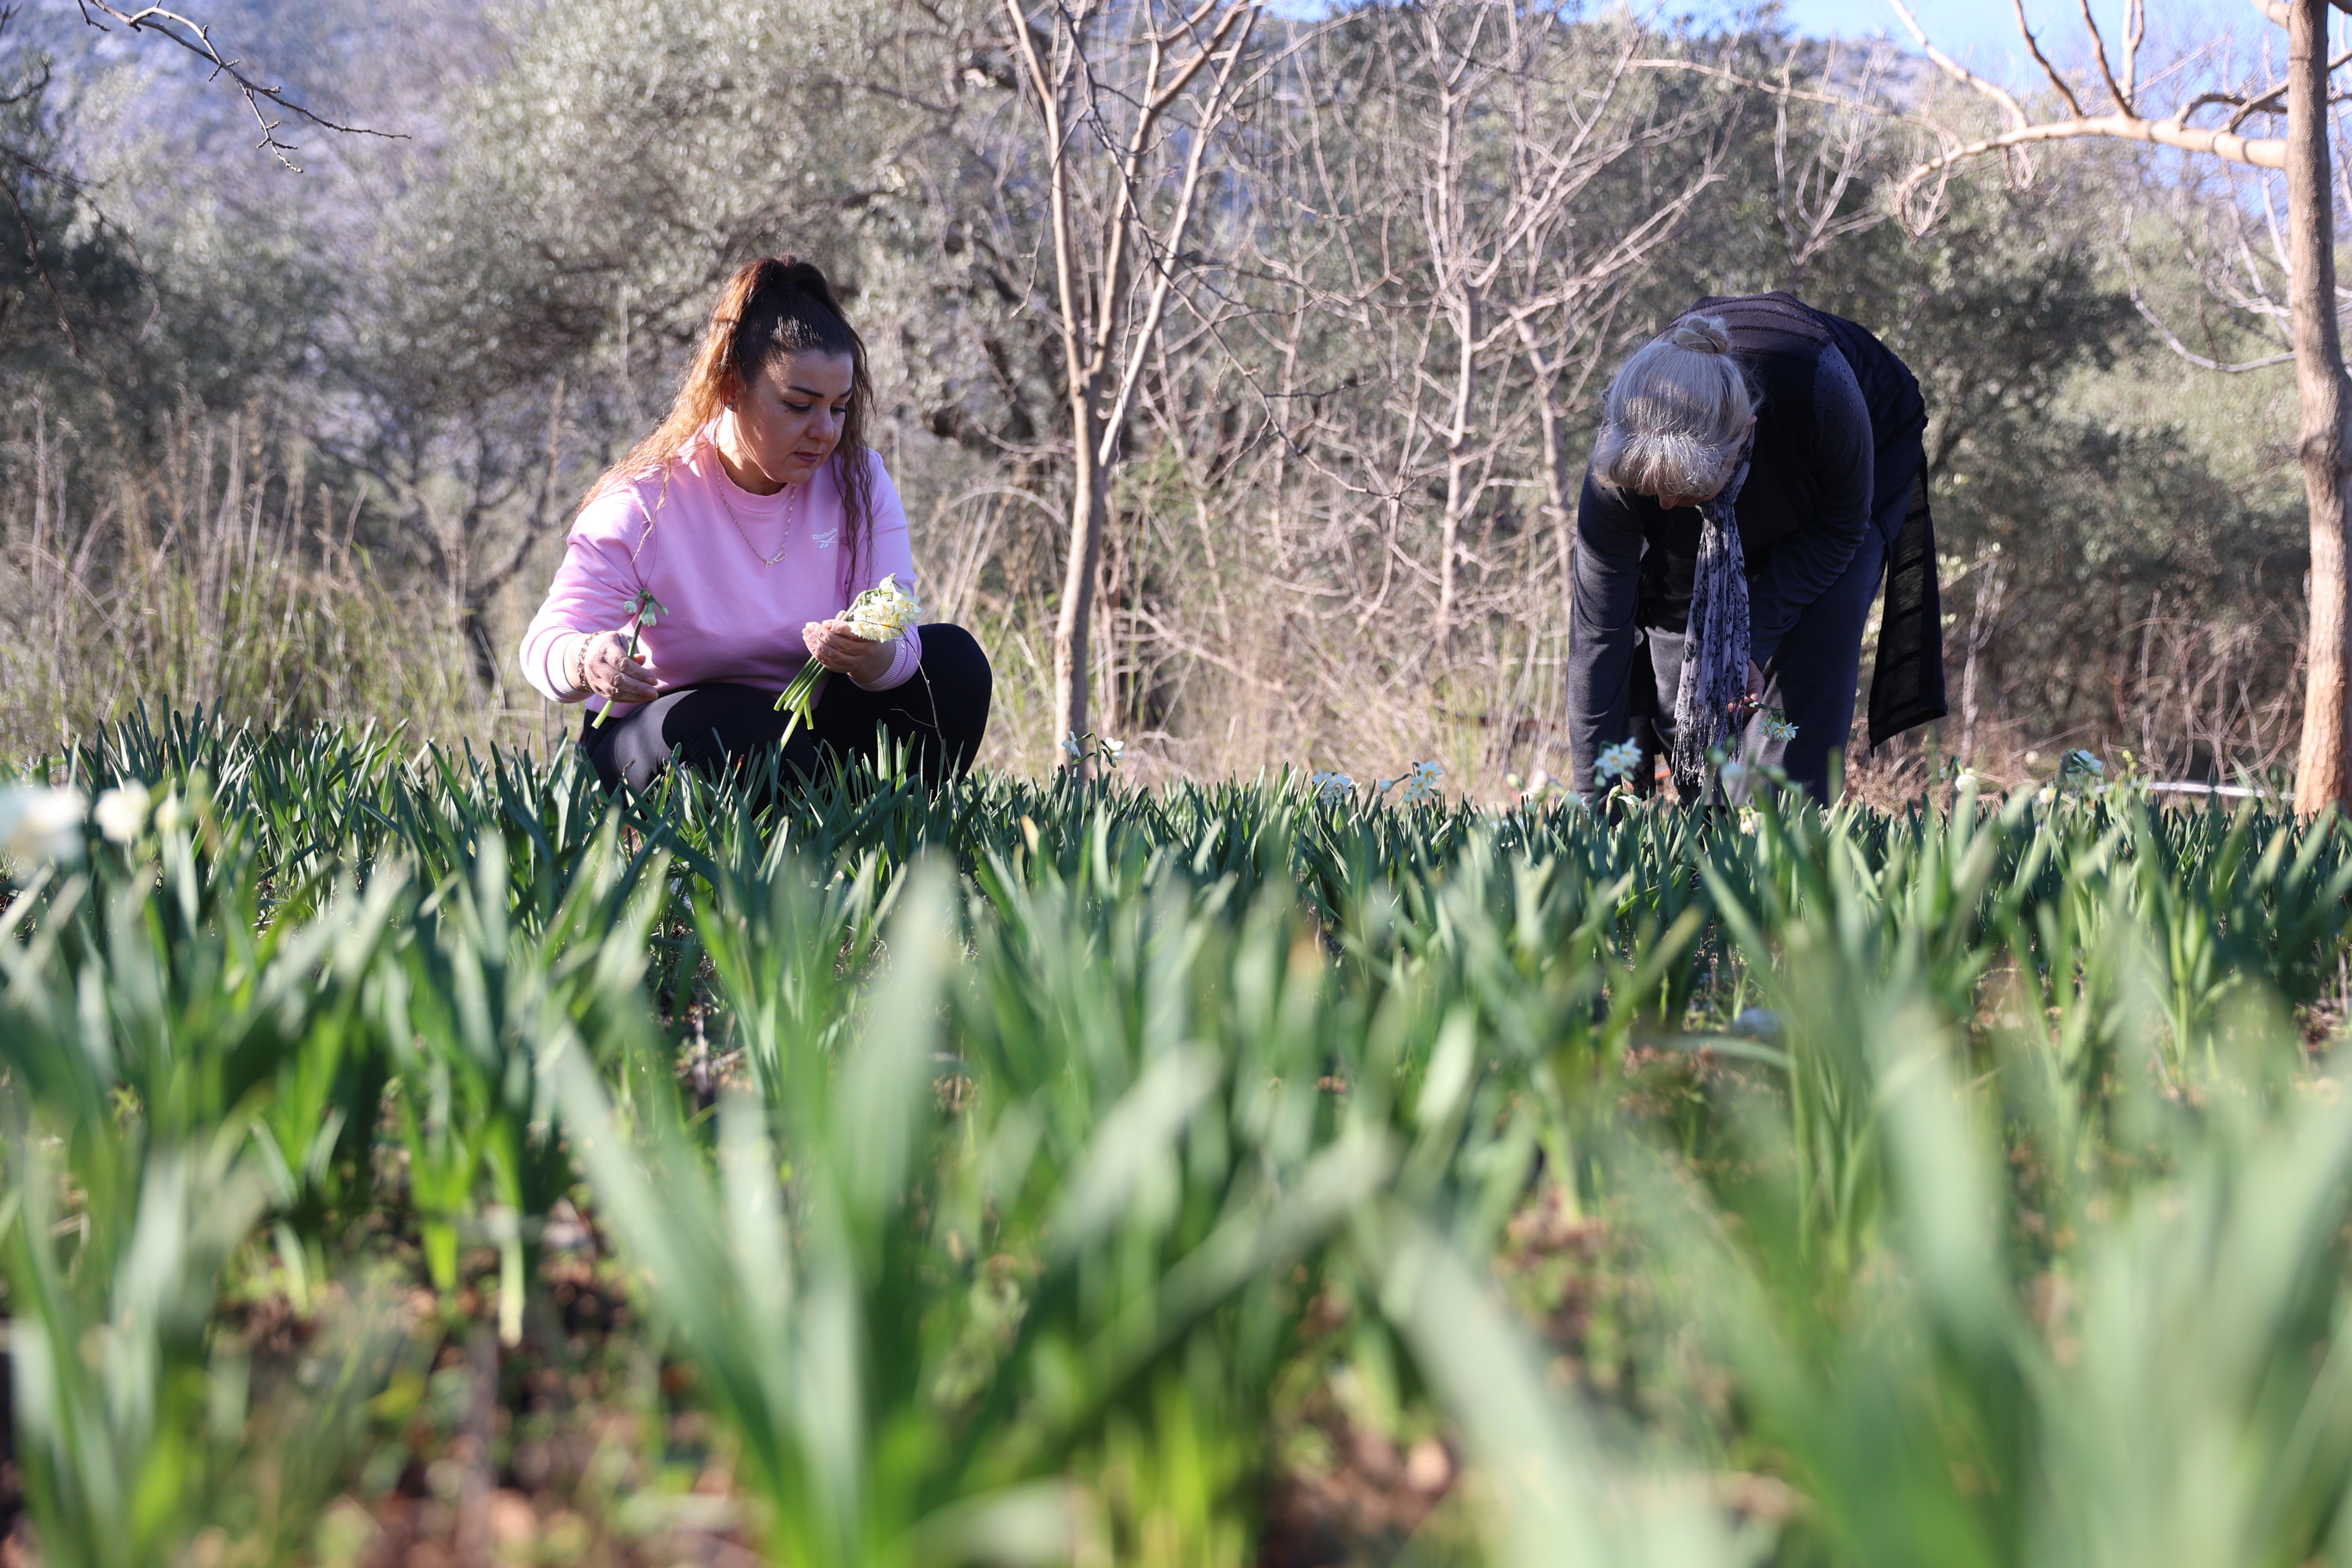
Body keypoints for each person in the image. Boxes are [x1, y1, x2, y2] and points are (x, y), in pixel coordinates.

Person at [521, 256, 991, 793]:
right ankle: (804, 842)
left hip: (802, 735)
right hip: (666, 742)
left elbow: (902, 645)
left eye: (838, 408)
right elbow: (545, 643)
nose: (825, 432)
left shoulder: (859, 481)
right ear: (730, 388)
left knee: (953, 664)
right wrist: (586, 661)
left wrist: (869, 654)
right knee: (735, 724)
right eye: (798, 406)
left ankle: (868, 840)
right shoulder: (642, 503)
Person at [1565, 292, 1946, 804]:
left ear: (1746, 437)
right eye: (1652, 488)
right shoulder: (1622, 457)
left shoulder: (1824, 396)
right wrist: (1594, 807)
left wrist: (1756, 640)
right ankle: (1704, 822)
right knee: (1681, 670)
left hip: (1847, 468)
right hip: (1716, 466)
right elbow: (1598, 638)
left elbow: (1838, 532)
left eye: (1685, 487)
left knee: (1812, 653)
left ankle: (1780, 835)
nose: (1667, 500)